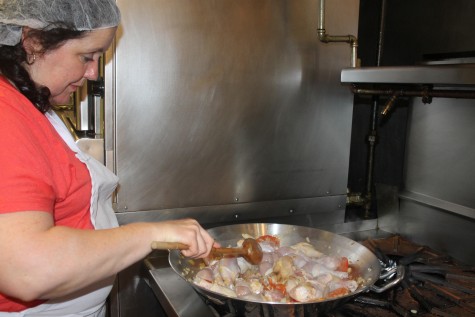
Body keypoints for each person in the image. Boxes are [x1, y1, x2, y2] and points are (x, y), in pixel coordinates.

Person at [0, 1, 216, 316]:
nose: (92, 73)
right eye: (86, 56)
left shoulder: (27, 103)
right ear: (32, 41)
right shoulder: (6, 115)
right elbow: (26, 270)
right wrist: (150, 234)